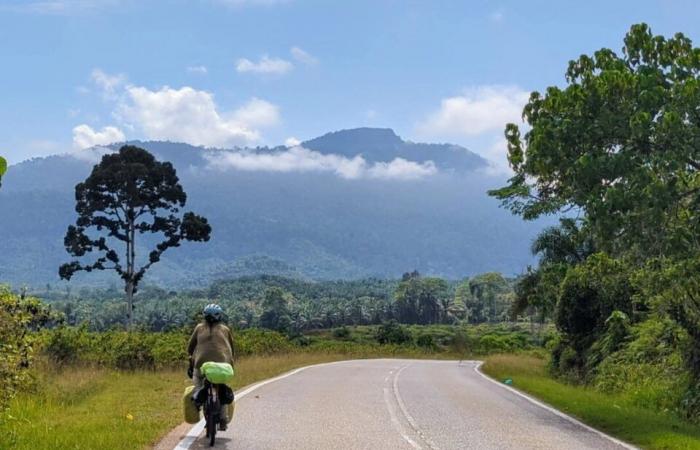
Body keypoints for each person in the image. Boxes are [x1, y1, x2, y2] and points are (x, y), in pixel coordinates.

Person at [187, 303, 235, 429]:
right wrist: (231, 364)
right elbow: (231, 349)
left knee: (198, 382)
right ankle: (224, 419)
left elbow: (190, 348)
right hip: (223, 365)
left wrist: (191, 362)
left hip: (201, 365)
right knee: (222, 390)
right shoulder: (225, 329)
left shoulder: (198, 328)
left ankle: (199, 400)